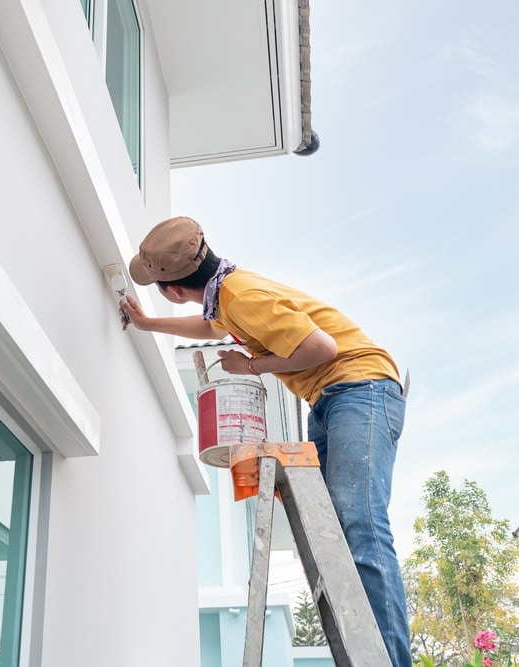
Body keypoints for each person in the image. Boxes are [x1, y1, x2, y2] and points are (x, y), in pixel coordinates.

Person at [120, 216, 411, 667]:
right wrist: (149, 324)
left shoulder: (243, 297)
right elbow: (211, 329)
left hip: (360, 388)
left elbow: (322, 349)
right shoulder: (226, 294)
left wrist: (250, 367)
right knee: (335, 532)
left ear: (173, 288)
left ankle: (390, 661)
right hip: (334, 397)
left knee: (360, 523)